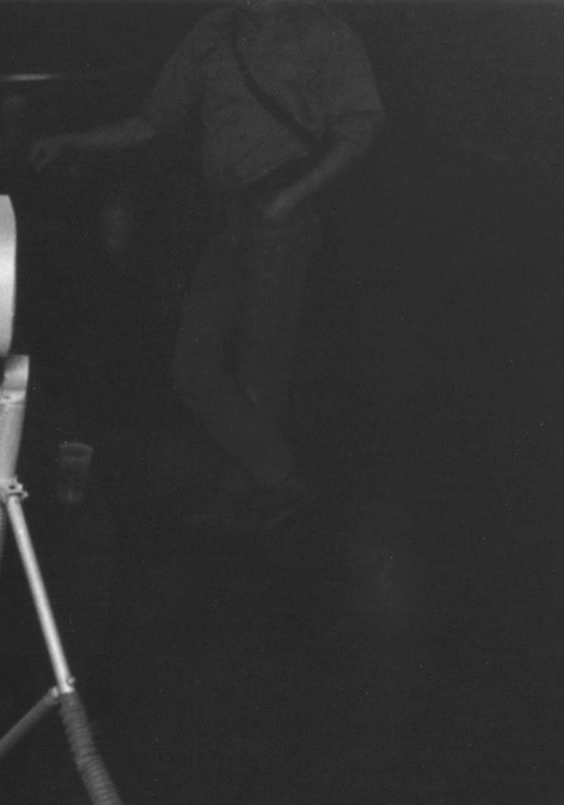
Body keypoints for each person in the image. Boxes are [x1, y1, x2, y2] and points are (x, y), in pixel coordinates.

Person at [30, 1, 383, 532]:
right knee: (191, 365)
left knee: (261, 368)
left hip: (282, 219)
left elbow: (362, 125)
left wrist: (288, 199)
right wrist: (72, 140)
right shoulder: (213, 31)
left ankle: (252, 494)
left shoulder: (320, 30)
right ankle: (278, 481)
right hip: (228, 216)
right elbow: (151, 121)